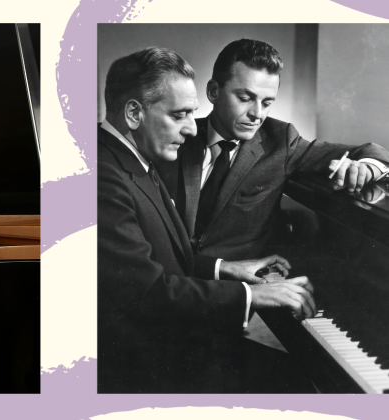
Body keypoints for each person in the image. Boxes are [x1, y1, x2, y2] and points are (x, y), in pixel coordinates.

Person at [98, 47, 317, 393]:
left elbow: (155, 259)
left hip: (164, 345)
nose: (190, 130)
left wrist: (225, 269)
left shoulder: (131, 161)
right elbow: (150, 293)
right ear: (133, 113)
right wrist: (252, 296)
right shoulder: (102, 176)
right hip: (145, 365)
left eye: (192, 114)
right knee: (306, 384)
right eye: (180, 115)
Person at [154, 39, 389, 261]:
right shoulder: (177, 136)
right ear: (213, 92)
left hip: (239, 289)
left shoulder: (280, 141)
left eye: (267, 103)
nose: (257, 114)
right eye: (245, 98)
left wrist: (367, 167)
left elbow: (372, 151)